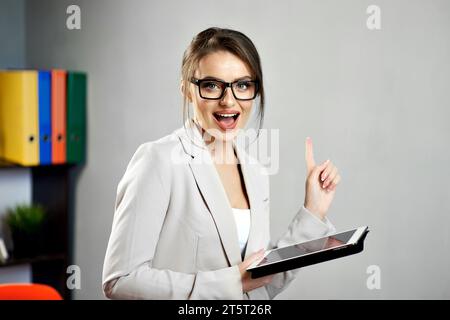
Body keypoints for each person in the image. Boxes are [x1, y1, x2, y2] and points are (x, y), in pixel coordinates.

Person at [102, 27, 341, 299]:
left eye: (242, 85)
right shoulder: (159, 160)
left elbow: (258, 286)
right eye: (212, 85)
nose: (228, 100)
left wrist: (313, 212)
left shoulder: (256, 172)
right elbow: (121, 281)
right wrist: (231, 282)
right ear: (187, 89)